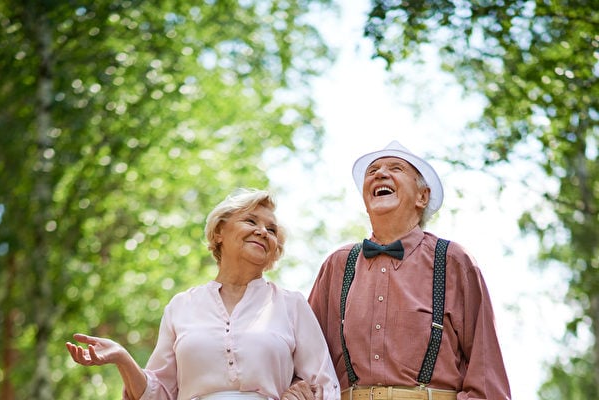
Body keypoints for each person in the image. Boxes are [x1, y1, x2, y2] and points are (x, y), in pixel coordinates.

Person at [66, 188, 340, 400]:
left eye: (271, 230)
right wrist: (123, 359)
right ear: (219, 231)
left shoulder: (291, 305)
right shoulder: (182, 306)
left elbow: (325, 386)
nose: (262, 231)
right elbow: (159, 393)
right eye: (250, 220)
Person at [308, 141, 511, 400]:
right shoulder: (337, 265)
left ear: (422, 197)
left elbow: (487, 378)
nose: (380, 174)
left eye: (395, 168)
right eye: (372, 171)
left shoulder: (453, 261)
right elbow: (305, 364)